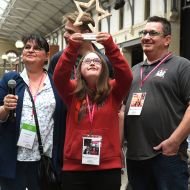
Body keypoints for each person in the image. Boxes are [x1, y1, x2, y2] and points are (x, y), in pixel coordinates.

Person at [53, 31, 133, 190]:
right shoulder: (72, 91)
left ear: (103, 69)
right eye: (87, 61)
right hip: (74, 169)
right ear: (79, 69)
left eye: (97, 61)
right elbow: (59, 77)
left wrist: (110, 46)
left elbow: (126, 76)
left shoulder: (113, 91)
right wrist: (71, 48)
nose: (91, 63)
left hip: (107, 168)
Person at [124, 16, 190, 190]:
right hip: (135, 156)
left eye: (153, 33)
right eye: (144, 32)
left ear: (167, 40)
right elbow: (121, 109)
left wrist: (174, 142)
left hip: (167, 155)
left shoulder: (181, 66)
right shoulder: (134, 71)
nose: (146, 36)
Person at [0, 33, 66, 190]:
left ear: (46, 56)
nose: (30, 50)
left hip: (45, 160)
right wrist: (4, 108)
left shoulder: (56, 83)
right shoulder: (10, 80)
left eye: (37, 48)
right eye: (27, 47)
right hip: (14, 161)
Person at [48, 11, 113, 78]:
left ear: (86, 34)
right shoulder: (58, 58)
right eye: (65, 31)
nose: (65, 35)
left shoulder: (105, 62)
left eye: (70, 32)